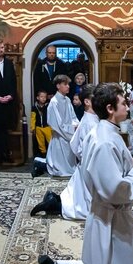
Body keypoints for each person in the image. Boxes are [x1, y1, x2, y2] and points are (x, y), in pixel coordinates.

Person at [19, 83, 133, 264]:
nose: (128, 107)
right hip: (111, 216)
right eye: (124, 103)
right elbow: (114, 190)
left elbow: (108, 168)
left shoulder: (102, 131)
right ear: (110, 108)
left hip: (102, 213)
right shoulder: (105, 141)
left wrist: (129, 163)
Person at [31, 84, 100, 219]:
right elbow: (56, 123)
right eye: (96, 98)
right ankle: (53, 203)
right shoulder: (88, 122)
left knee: (78, 199)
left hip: (85, 162)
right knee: (84, 207)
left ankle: (53, 200)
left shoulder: (88, 117)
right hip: (68, 143)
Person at [46, 74, 78, 177]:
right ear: (58, 86)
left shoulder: (67, 100)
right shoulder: (54, 102)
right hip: (60, 136)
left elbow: (73, 117)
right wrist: (69, 131)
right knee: (60, 166)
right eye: (65, 84)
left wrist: (76, 125)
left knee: (71, 163)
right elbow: (56, 124)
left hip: (69, 133)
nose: (68, 86)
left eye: (68, 84)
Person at [31, 89, 51, 158]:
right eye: (41, 97)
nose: (43, 98)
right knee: (41, 143)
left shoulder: (48, 106)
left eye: (45, 97)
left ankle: (51, 154)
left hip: (47, 127)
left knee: (50, 141)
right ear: (37, 98)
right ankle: (43, 155)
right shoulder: (34, 107)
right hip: (38, 127)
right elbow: (33, 118)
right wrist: (32, 127)